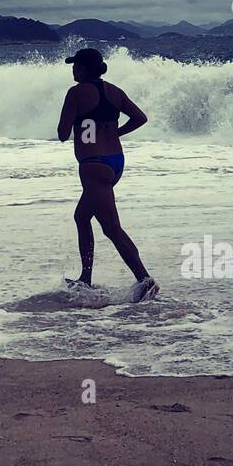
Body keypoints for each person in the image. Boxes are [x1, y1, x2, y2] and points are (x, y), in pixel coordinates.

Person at [56, 47, 158, 302]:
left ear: (83, 68)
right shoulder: (114, 91)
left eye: (75, 66)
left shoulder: (76, 93)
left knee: (111, 228)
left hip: (93, 164)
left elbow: (62, 132)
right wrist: (114, 132)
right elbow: (140, 118)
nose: (72, 69)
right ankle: (85, 278)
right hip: (115, 162)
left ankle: (145, 280)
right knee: (81, 216)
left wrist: (80, 121)